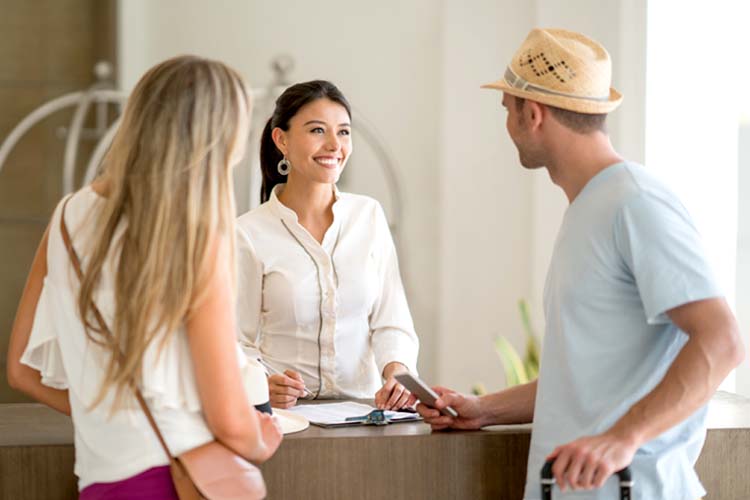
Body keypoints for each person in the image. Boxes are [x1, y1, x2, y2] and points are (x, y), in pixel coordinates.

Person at [416, 28, 744, 499]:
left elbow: (723, 341)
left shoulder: (635, 202)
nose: (507, 125)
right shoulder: (592, 206)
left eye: (507, 110)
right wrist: (484, 409)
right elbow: (584, 378)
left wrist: (622, 438)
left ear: (533, 114)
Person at [6, 55, 283, 498]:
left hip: (101, 480)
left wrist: (109, 418)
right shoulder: (198, 230)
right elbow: (230, 419)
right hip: (178, 475)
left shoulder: (67, 216)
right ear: (217, 136)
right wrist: (260, 436)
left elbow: (21, 371)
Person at [236, 80, 419, 410]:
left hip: (366, 417)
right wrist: (262, 384)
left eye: (344, 132)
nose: (335, 145)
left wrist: (397, 372)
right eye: (317, 130)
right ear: (282, 140)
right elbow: (236, 342)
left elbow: (391, 321)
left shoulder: (369, 216)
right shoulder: (248, 233)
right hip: (286, 420)